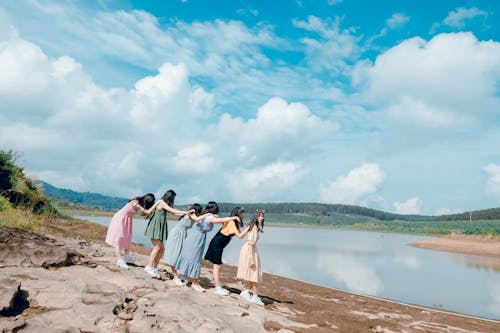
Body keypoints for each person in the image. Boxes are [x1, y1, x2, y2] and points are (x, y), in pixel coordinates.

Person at [175, 201, 241, 292]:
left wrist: (214, 215)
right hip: (196, 239)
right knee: (195, 259)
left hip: (196, 237)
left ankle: (185, 277)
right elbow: (222, 220)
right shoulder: (209, 217)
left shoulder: (206, 215)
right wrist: (234, 217)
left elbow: (217, 218)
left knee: (193, 258)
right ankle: (195, 283)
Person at [143, 190, 193, 278]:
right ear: (170, 197)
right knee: (157, 247)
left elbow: (174, 213)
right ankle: (149, 266)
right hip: (156, 226)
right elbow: (172, 210)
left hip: (159, 226)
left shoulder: (163, 203)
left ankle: (154, 267)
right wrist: (186, 212)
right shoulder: (162, 202)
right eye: (173, 198)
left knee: (161, 249)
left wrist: (186, 214)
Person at [205, 206, 249, 296]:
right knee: (216, 266)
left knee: (217, 266)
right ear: (238, 214)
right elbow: (240, 236)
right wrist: (248, 228)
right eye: (242, 213)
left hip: (219, 244)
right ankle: (217, 288)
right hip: (217, 244)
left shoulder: (234, 222)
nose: (243, 215)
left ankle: (218, 286)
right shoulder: (232, 222)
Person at [105, 193, 155, 269]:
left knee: (127, 237)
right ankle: (119, 259)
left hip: (127, 220)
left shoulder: (139, 203)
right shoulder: (136, 202)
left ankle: (127, 256)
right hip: (120, 218)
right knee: (119, 238)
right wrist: (157, 204)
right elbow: (146, 212)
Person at [163, 203, 202, 285]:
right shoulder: (191, 214)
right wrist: (207, 214)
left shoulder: (192, 216)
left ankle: (179, 275)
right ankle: (175, 277)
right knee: (175, 255)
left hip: (182, 235)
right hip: (177, 234)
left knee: (179, 256)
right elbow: (198, 219)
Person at [237, 209, 265, 306]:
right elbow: (250, 243)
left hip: (251, 249)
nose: (262, 218)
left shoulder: (254, 226)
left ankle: (246, 292)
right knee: (253, 273)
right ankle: (254, 296)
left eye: (262, 216)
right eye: (260, 216)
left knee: (251, 273)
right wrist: (252, 259)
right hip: (250, 250)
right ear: (255, 217)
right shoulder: (253, 228)